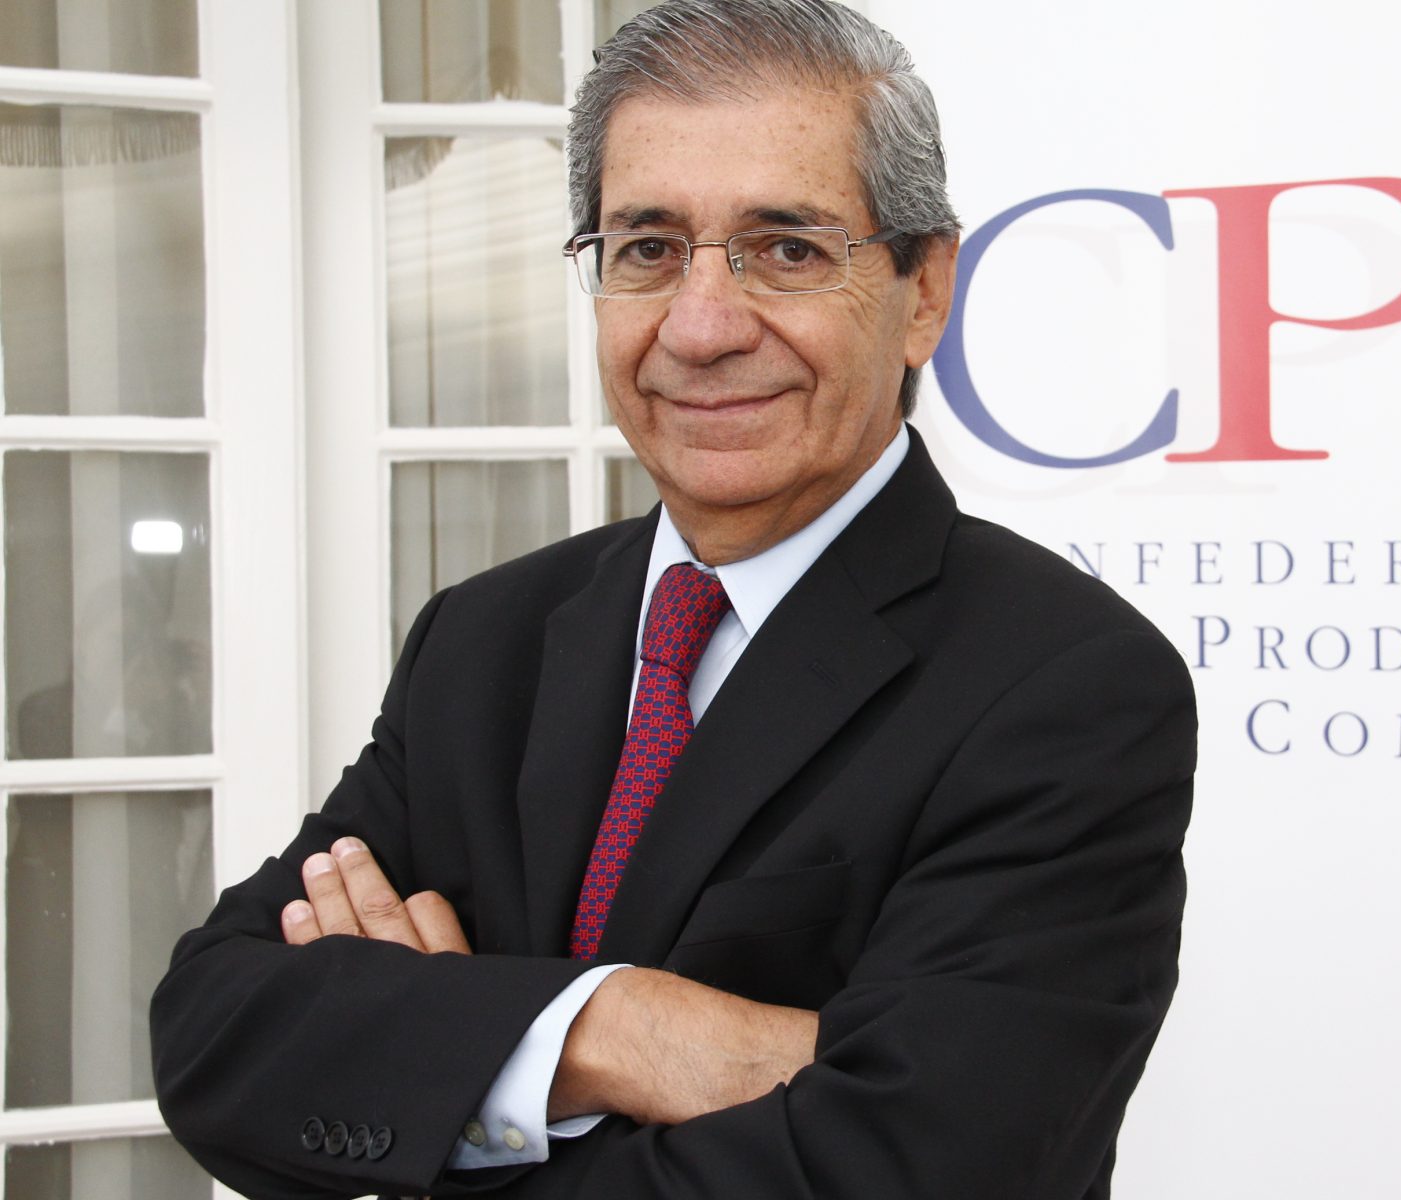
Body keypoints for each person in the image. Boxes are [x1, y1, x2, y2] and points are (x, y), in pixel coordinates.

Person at [150, 2, 1196, 1196]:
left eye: (786, 249)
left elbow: (922, 1165)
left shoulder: (1063, 685)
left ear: (923, 292)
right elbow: (214, 1030)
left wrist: (448, 1054)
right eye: (648, 248)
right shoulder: (484, 641)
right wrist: (619, 1029)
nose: (700, 329)